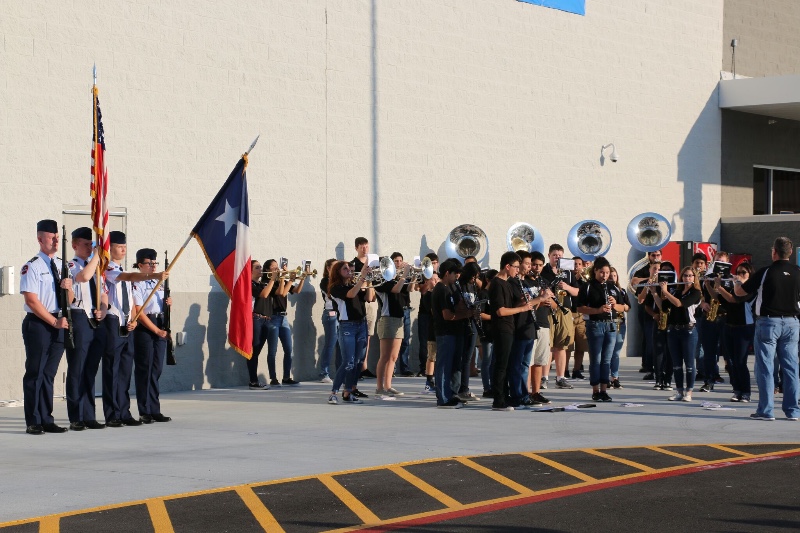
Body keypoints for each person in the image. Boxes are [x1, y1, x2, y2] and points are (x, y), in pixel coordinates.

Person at [102, 231, 168, 427]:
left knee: (124, 372)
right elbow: (127, 277)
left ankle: (124, 412)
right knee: (113, 371)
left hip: (127, 323)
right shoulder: (108, 269)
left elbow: (130, 301)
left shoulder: (123, 270)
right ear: (109, 248)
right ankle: (112, 413)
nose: (123, 250)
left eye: (124, 246)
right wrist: (155, 275)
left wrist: (133, 319)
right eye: (119, 246)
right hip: (113, 322)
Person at [735, 237, 800, 421]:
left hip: (769, 322)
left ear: (774, 252)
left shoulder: (766, 272)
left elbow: (741, 293)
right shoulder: (797, 271)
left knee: (765, 367)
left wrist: (738, 282)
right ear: (791, 252)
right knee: (791, 368)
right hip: (792, 322)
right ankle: (793, 411)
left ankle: (766, 410)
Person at [20, 219, 75, 434]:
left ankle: (46, 418)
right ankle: (33, 421)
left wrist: (69, 287)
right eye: (51, 238)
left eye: (57, 238)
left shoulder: (63, 265)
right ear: (40, 239)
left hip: (59, 322)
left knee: (49, 374)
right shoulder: (32, 266)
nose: (55, 241)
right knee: (35, 372)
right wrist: (53, 322)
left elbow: (70, 300)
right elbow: (31, 301)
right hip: (40, 323)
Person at [65, 226, 108, 431]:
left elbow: (104, 295)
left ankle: (89, 415)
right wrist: (96, 257)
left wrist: (103, 309)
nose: (90, 247)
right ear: (74, 245)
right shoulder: (72, 265)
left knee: (90, 370)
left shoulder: (96, 267)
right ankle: (76, 416)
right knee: (77, 368)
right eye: (85, 244)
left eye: (92, 244)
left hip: (95, 318)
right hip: (79, 316)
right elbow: (83, 277)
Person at [489, 251, 535, 411]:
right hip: (501, 328)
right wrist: (522, 308)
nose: (518, 270)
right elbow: (500, 311)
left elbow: (509, 307)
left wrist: (523, 304)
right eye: (515, 267)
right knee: (501, 365)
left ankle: (506, 396)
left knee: (508, 365)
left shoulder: (508, 283)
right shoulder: (496, 284)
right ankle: (498, 400)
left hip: (510, 328)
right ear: (507, 266)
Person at [132, 248, 173, 423]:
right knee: (145, 369)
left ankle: (155, 408)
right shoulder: (137, 282)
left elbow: (161, 306)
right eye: (149, 263)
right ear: (140, 265)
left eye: (154, 263)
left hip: (160, 322)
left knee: (156, 370)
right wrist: (155, 331)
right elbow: (139, 312)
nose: (153, 267)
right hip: (146, 326)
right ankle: (144, 410)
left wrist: (169, 304)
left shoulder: (161, 283)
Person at [576, 257, 623, 402]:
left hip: (611, 324)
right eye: (602, 272)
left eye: (607, 272)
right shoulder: (588, 286)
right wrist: (598, 310)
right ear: (595, 271)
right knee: (596, 359)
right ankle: (595, 390)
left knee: (607, 359)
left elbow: (624, 307)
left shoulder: (613, 287)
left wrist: (615, 305)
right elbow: (579, 307)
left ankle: (604, 389)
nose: (605, 275)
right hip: (595, 325)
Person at [327, 260, 374, 404]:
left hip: (361, 324)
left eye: (349, 268)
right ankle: (333, 393)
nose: (349, 271)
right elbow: (351, 295)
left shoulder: (354, 284)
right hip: (347, 326)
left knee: (359, 361)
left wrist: (370, 281)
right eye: (345, 269)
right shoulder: (335, 288)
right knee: (348, 361)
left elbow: (369, 298)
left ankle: (348, 391)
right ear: (337, 272)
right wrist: (362, 278)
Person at [656, 266, 701, 402]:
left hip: (688, 330)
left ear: (694, 278)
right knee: (676, 364)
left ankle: (689, 392)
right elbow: (663, 307)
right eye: (685, 276)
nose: (687, 278)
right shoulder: (676, 291)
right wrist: (655, 293)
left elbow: (679, 304)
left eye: (690, 276)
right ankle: (679, 391)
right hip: (673, 330)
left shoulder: (696, 292)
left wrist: (665, 291)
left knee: (689, 364)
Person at [431, 259, 472, 408]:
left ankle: (452, 394)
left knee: (454, 365)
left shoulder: (452, 288)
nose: (457, 277)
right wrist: (466, 314)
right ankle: (443, 398)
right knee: (444, 365)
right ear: (447, 273)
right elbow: (447, 315)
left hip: (455, 332)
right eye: (455, 274)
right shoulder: (441, 289)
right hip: (445, 332)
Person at [712, 262, 755, 402]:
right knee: (730, 362)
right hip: (729, 326)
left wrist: (720, 286)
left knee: (740, 361)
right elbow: (719, 298)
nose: (740, 275)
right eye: (739, 272)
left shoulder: (750, 289)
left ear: (749, 275)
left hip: (744, 328)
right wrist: (709, 284)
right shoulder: (734, 287)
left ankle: (746, 391)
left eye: (744, 273)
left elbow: (735, 299)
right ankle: (736, 390)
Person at [540, 244, 579, 390]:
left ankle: (560, 377)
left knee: (561, 345)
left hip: (565, 311)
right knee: (548, 345)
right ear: (549, 256)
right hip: (549, 310)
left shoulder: (568, 272)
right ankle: (544, 377)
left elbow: (577, 292)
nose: (558, 257)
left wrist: (567, 287)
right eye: (555, 255)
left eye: (560, 255)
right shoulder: (544, 271)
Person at [263, 259, 305, 386]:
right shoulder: (267, 282)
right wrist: (284, 278)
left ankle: (286, 377)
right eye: (274, 267)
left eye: (277, 267)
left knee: (288, 350)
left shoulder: (282, 281)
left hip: (283, 318)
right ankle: (273, 378)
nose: (277, 269)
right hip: (273, 318)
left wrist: (302, 278)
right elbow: (281, 292)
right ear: (268, 270)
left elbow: (296, 291)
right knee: (272, 351)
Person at [374, 254, 411, 396]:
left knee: (394, 356)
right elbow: (395, 289)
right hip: (387, 319)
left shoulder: (393, 279)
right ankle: (379, 387)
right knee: (385, 355)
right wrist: (404, 274)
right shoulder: (379, 281)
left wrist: (411, 277)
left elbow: (406, 289)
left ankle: (388, 386)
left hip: (398, 319)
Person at [641, 261, 674, 391]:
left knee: (671, 352)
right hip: (659, 321)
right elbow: (646, 305)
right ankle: (659, 379)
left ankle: (668, 380)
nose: (664, 274)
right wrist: (654, 315)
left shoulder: (676, 287)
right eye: (663, 271)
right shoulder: (655, 286)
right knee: (658, 352)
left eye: (667, 271)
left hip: (672, 322)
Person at [453, 261, 482, 402]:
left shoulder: (473, 286)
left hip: (472, 324)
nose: (474, 279)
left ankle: (464, 387)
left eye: (476, 277)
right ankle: (459, 389)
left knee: (468, 358)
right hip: (461, 324)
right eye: (473, 276)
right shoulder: (458, 284)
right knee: (460, 358)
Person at [631, 249, 663, 379]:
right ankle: (648, 365)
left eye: (658, 255)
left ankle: (661, 366)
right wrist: (649, 279)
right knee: (648, 337)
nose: (655, 257)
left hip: (661, 311)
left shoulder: (666, 269)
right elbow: (634, 281)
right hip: (647, 309)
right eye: (653, 255)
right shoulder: (643, 269)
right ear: (649, 256)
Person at [351, 237, 378, 379]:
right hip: (359, 302)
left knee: (368, 335)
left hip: (371, 299)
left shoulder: (374, 264)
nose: (365, 249)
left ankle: (364, 366)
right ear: (356, 248)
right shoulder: (353, 264)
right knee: (359, 336)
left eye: (366, 246)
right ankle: (357, 366)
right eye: (362, 247)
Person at [249, 260, 276, 389]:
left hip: (266, 319)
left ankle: (254, 380)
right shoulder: (249, 284)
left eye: (260, 267)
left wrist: (278, 279)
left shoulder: (261, 283)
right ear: (250, 271)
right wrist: (273, 279)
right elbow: (264, 294)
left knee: (258, 350)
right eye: (257, 267)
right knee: (254, 351)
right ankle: (253, 381)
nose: (260, 269)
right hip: (256, 319)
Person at [390, 252, 416, 377]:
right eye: (396, 261)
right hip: (394, 310)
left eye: (400, 260)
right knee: (393, 340)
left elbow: (410, 289)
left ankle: (404, 367)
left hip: (406, 308)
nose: (399, 263)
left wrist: (414, 276)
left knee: (405, 340)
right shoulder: (389, 276)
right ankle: (392, 368)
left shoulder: (406, 275)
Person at [416, 253, 439, 377]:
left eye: (435, 262)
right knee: (424, 340)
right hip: (424, 313)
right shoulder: (422, 276)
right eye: (432, 263)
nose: (434, 265)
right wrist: (428, 280)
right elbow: (422, 291)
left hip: (436, 315)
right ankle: (423, 367)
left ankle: (434, 369)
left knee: (434, 344)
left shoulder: (440, 276)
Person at [318, 258, 340, 383]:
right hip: (330, 313)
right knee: (330, 344)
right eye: (335, 267)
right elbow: (332, 294)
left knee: (341, 345)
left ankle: (340, 372)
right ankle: (324, 373)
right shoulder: (325, 281)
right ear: (328, 268)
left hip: (341, 313)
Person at [608, 266, 630, 389]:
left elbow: (628, 307)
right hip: (609, 322)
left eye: (614, 276)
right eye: (610, 276)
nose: (612, 278)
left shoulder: (621, 291)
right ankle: (606, 378)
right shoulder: (605, 290)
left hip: (620, 323)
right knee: (608, 353)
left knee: (616, 353)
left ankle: (615, 377)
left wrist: (621, 307)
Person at [569, 257, 589, 380]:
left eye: (579, 264)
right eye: (575, 264)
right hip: (570, 313)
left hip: (581, 314)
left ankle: (576, 370)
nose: (577, 266)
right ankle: (564, 370)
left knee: (581, 345)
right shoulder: (568, 278)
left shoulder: (585, 280)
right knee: (568, 345)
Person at [479, 269, 496, 398]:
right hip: (487, 331)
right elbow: (480, 314)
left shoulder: (496, 293)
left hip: (497, 331)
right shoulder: (483, 294)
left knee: (495, 360)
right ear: (488, 280)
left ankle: (494, 385)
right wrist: (494, 317)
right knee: (487, 360)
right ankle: (487, 387)